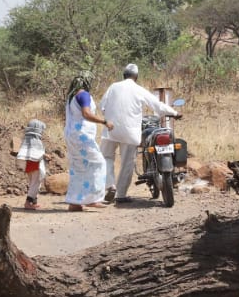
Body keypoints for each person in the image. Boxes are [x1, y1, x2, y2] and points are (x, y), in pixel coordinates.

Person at [99, 63, 179, 203]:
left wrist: (110, 117)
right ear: (136, 77)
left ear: (123, 75)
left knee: (106, 158)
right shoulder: (139, 89)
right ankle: (121, 195)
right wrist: (175, 113)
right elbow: (157, 105)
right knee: (127, 163)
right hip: (130, 132)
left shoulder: (113, 87)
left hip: (110, 129)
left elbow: (102, 106)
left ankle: (110, 186)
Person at [62, 73, 114, 211]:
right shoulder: (84, 95)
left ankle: (75, 202)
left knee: (79, 168)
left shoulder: (71, 98)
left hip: (71, 136)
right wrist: (104, 121)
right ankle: (93, 199)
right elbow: (86, 113)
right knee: (99, 163)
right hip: (81, 136)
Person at [15, 118, 47, 210]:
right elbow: (37, 153)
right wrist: (46, 155)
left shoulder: (27, 140)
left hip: (28, 165)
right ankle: (27, 203)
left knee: (34, 184)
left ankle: (34, 202)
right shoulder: (36, 141)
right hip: (35, 164)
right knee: (35, 184)